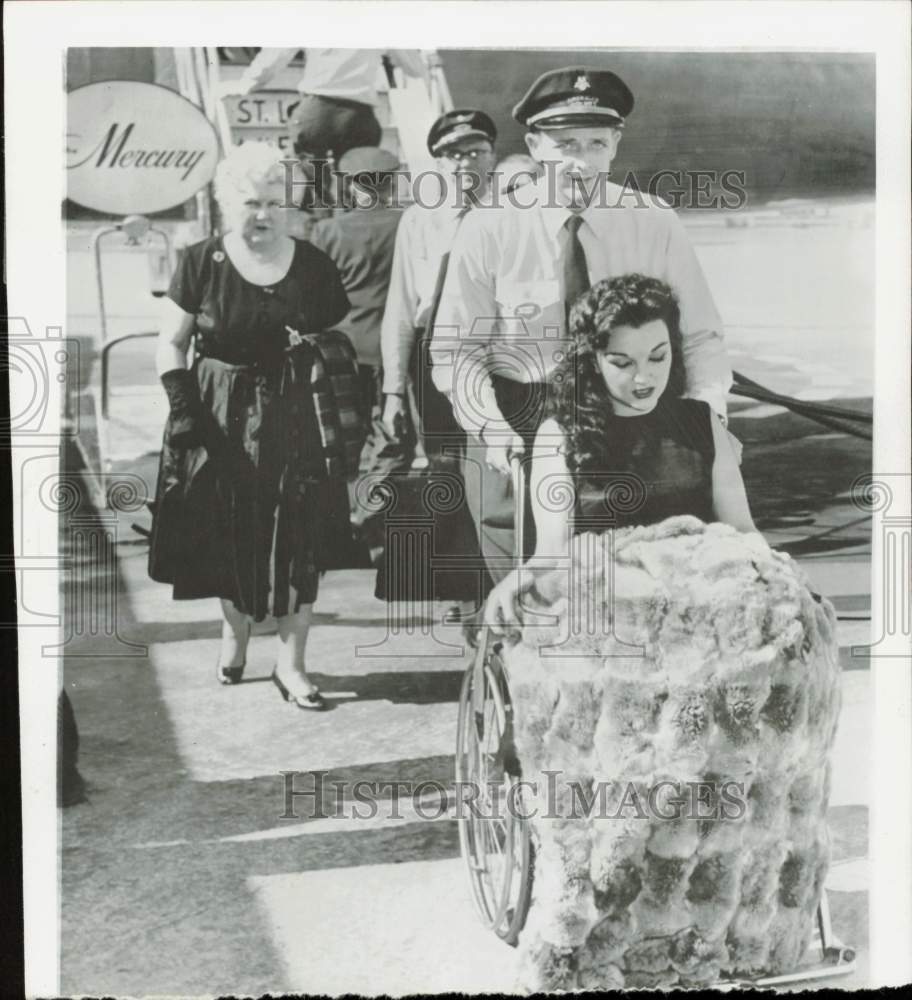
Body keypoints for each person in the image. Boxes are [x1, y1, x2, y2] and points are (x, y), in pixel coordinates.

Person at [430, 66, 733, 586]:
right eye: (565, 143)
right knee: (530, 591)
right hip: (519, 417)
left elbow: (700, 335)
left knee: (638, 587)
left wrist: (710, 423)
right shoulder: (490, 225)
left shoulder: (652, 219)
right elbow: (457, 351)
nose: (579, 161)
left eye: (595, 143)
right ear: (534, 144)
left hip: (628, 416)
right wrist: (492, 429)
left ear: (615, 146)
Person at [148, 142, 354, 710]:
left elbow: (335, 336)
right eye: (247, 202)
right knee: (227, 529)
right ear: (223, 204)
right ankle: (235, 632)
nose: (260, 214)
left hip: (295, 414)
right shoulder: (200, 260)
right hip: (219, 412)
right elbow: (170, 342)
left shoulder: (312, 263)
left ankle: (292, 664)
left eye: (271, 202)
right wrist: (185, 409)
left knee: (299, 535)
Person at [486, 274, 754, 631]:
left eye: (658, 357)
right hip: (606, 612)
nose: (645, 378)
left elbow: (741, 530)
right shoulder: (560, 435)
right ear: (594, 360)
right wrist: (521, 578)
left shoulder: (702, 422)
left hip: (700, 608)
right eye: (623, 363)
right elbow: (553, 550)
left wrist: (779, 574)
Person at [380, 108, 499, 464]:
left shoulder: (513, 214)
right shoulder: (418, 221)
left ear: (493, 157)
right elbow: (400, 307)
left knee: (497, 460)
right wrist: (393, 390)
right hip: (434, 351)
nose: (464, 163)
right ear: (438, 165)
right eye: (453, 155)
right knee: (444, 463)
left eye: (475, 153)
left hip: (500, 347)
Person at [308, 147, 410, 525]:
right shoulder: (409, 223)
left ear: (348, 186)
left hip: (345, 350)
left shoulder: (326, 232)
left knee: (346, 434)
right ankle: (371, 510)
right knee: (392, 431)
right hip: (395, 349)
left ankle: (349, 512)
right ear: (392, 182)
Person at [219, 48, 426, 207]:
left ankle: (322, 234)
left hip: (317, 112)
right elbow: (414, 67)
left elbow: (275, 55)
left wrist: (245, 85)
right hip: (358, 116)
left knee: (314, 185)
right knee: (360, 183)